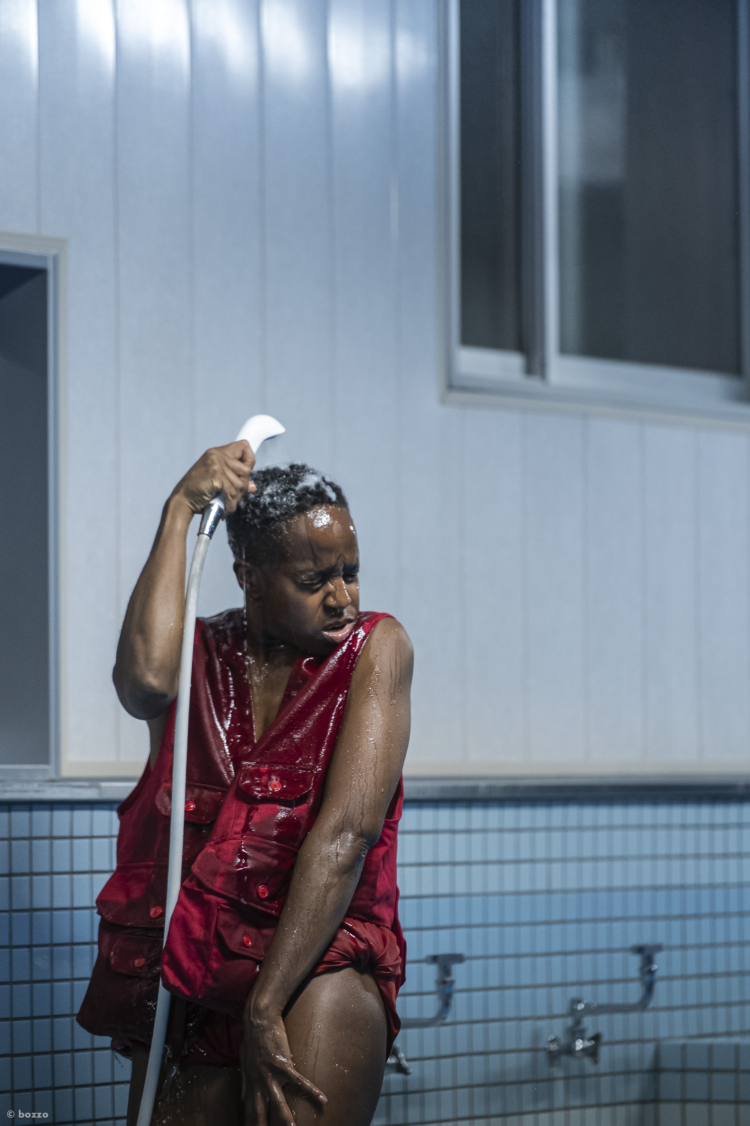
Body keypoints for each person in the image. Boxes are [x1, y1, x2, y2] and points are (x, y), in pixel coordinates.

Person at [76, 440, 412, 1126]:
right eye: (316, 580)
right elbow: (141, 685)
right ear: (250, 577)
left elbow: (345, 836)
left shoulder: (377, 649)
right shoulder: (200, 656)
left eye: (351, 572)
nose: (343, 597)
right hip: (197, 967)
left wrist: (266, 1005)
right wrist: (179, 509)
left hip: (318, 958)